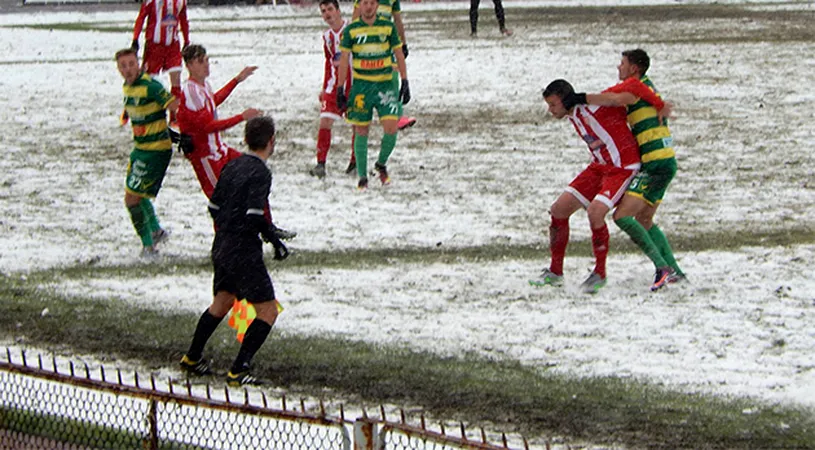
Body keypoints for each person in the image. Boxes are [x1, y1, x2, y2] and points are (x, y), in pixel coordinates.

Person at [179, 115, 289, 387]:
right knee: (267, 310)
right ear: (271, 142)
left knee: (222, 302)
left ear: (246, 140)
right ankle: (239, 369)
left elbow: (214, 207)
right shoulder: (261, 172)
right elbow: (254, 215)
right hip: (243, 249)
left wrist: (230, 225)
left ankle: (192, 357)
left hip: (222, 245)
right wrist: (273, 238)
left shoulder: (232, 165)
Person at [572, 49, 686, 290]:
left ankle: (662, 269)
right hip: (666, 161)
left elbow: (613, 100)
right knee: (644, 219)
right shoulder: (645, 86)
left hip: (654, 163)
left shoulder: (634, 88)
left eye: (622, 63)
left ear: (634, 68)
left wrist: (579, 97)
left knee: (622, 216)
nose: (618, 67)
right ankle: (675, 271)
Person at [529, 79, 641, 294]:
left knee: (595, 212)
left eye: (553, 105)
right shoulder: (574, 115)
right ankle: (555, 272)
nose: (550, 111)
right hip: (599, 167)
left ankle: (599, 274)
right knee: (558, 210)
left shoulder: (594, 107)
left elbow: (620, 99)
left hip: (622, 167)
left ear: (565, 100)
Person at [177, 44, 296, 240]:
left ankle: (268, 227)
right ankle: (224, 243)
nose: (207, 65)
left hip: (220, 150)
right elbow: (207, 126)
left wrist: (236, 80)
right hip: (206, 156)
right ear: (189, 65)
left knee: (256, 173)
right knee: (223, 201)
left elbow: (213, 102)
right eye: (201, 61)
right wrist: (241, 117)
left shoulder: (203, 86)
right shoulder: (190, 90)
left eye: (207, 60)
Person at [338, 0, 411, 190]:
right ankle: (362, 176)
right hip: (361, 87)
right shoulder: (352, 30)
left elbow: (399, 52)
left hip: (385, 85)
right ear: (359, 6)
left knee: (391, 128)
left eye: (372, 3)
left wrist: (404, 80)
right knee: (361, 130)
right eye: (365, 3)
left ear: (377, 6)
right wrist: (340, 88)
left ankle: (381, 163)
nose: (368, 7)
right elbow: (344, 59)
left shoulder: (387, 27)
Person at [116, 48, 178, 257]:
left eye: (131, 64)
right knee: (136, 193)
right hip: (140, 149)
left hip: (155, 151)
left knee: (131, 199)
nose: (127, 69)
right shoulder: (128, 87)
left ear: (138, 63)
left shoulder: (151, 86)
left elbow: (173, 104)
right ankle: (155, 231)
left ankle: (149, 247)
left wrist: (179, 127)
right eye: (123, 66)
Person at [352, 0, 416, 132]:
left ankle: (397, 116)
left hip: (386, 42)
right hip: (368, 44)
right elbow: (355, 20)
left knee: (393, 76)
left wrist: (403, 43)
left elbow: (398, 21)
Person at [309, 0, 356, 179]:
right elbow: (329, 62)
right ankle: (320, 164)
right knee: (325, 121)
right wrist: (324, 88)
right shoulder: (327, 37)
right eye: (323, 11)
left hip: (354, 86)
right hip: (333, 86)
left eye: (330, 9)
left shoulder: (352, 31)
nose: (327, 14)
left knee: (357, 124)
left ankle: (354, 162)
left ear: (338, 10)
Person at [129, 0, 189, 126]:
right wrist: (135, 38)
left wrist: (186, 40)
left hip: (173, 45)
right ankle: (140, 110)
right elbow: (141, 17)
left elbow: (183, 19)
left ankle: (173, 118)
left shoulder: (181, 1)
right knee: (147, 80)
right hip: (154, 46)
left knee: (176, 79)